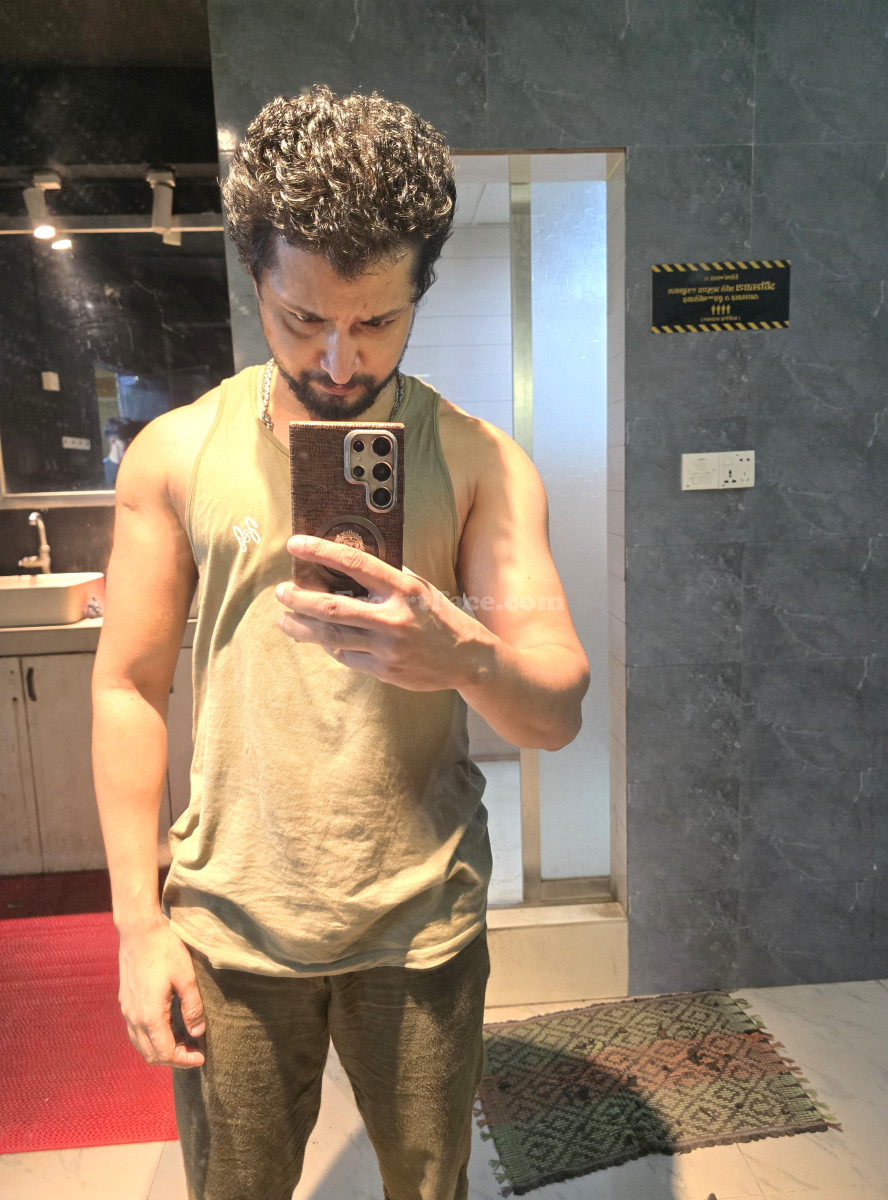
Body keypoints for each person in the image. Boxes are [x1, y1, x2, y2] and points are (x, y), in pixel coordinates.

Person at [92, 85, 590, 1200]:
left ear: (419, 291)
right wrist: (136, 924)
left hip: (421, 924)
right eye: (301, 318)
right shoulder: (175, 454)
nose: (335, 360)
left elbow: (557, 708)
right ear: (254, 277)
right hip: (230, 926)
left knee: (429, 1186)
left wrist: (462, 657)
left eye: (375, 323)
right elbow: (127, 686)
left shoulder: (480, 462)